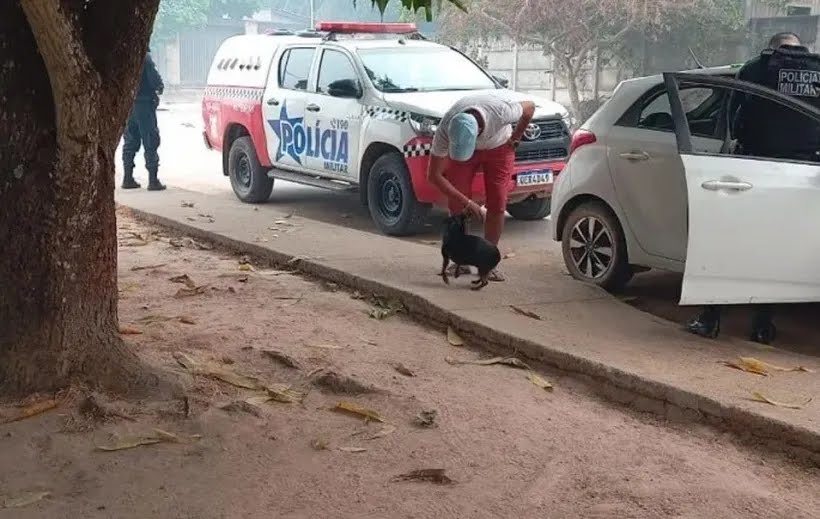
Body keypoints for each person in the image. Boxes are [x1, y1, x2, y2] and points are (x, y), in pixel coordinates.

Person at [687, 32, 820, 344]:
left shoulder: (755, 69)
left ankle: (710, 319)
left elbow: (735, 118)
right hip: (805, 176)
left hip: (755, 169)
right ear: (800, 46)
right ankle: (762, 326)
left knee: (728, 246)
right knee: (777, 252)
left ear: (771, 48)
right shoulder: (817, 70)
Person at [426, 94, 536, 281]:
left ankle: (488, 262)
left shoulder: (501, 112)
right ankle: (460, 259)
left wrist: (516, 137)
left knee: (497, 201)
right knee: (457, 203)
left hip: (500, 147)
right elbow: (434, 176)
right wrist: (468, 203)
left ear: (480, 130)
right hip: (469, 154)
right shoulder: (446, 127)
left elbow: (530, 107)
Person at [122, 50, 165, 191]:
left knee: (130, 140)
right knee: (150, 140)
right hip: (144, 104)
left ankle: (127, 178)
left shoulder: (123, 56)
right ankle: (153, 180)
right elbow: (154, 80)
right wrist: (159, 86)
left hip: (128, 104)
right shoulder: (144, 57)